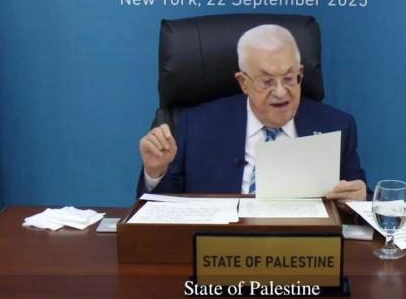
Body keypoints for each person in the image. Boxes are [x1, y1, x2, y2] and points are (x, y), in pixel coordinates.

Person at [136, 24, 367, 201]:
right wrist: (155, 172)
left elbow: (358, 202)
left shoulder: (336, 126)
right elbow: (162, 211)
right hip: (218, 245)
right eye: (267, 81)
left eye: (289, 78)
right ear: (243, 83)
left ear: (301, 73)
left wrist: (360, 200)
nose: (280, 92)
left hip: (307, 246)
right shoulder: (196, 126)